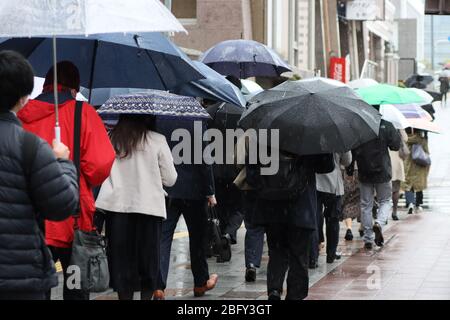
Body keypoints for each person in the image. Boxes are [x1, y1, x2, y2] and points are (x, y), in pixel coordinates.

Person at [18, 61, 115, 300]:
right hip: (73, 219)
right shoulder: (83, 112)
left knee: (36, 287)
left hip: (30, 216)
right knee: (75, 286)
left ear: (47, 85)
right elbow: (100, 165)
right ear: (73, 88)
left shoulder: (20, 114)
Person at [0, 50, 79, 300]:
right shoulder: (30, 147)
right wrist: (64, 164)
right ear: (24, 98)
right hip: (21, 277)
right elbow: (61, 206)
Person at [96, 115, 177, 300]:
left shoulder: (112, 138)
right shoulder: (157, 140)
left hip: (117, 210)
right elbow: (171, 179)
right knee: (148, 263)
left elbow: (101, 169)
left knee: (122, 263)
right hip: (149, 210)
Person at [245, 146, 334, 300]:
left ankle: (274, 289)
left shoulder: (264, 133)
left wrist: (267, 186)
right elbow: (326, 166)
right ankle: (295, 295)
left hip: (272, 206)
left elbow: (252, 175)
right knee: (299, 257)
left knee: (277, 252)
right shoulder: (310, 135)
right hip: (301, 206)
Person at [155, 118, 218, 299]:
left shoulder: (160, 119)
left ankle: (158, 286)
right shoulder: (196, 120)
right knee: (197, 238)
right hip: (194, 190)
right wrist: (210, 191)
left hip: (168, 188)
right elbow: (205, 160)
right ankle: (200, 283)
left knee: (163, 238)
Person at [352, 115, 401, 250]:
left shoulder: (359, 126)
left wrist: (351, 167)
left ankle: (368, 238)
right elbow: (396, 146)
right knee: (385, 200)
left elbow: (353, 148)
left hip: (364, 170)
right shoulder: (386, 124)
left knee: (366, 205)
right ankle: (379, 222)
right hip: (383, 171)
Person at [310, 152, 352, 268]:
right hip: (333, 183)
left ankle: (313, 257)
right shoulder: (338, 135)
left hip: (313, 181)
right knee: (332, 219)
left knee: (314, 218)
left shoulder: (310, 135)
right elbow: (347, 160)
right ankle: (331, 253)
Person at [233, 136, 266, 283]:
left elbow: (239, 161)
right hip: (277, 187)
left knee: (253, 226)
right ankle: (279, 265)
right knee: (276, 227)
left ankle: (251, 264)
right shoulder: (284, 129)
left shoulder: (248, 134)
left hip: (252, 186)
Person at [403, 128, 430, 214]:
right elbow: (427, 153)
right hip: (419, 165)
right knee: (419, 185)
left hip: (407, 165)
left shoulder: (404, 140)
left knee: (408, 184)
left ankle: (410, 203)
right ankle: (418, 204)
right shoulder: (421, 140)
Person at [341, 160, 362, 241]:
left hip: (346, 171)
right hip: (360, 169)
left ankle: (349, 228)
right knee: (362, 199)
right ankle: (362, 227)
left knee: (348, 201)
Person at [390, 129, 408, 220]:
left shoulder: (381, 124)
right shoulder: (398, 126)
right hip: (397, 161)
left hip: (386, 161)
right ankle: (394, 211)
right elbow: (405, 138)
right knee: (396, 189)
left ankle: (381, 212)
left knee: (381, 189)